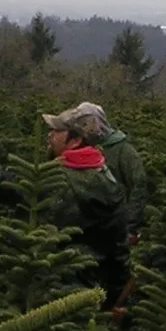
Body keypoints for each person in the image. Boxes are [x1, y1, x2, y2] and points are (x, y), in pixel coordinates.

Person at [0, 109, 132, 309]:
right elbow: (118, 245)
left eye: (57, 131)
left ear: (75, 141)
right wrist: (118, 296)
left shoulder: (60, 181)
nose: (50, 135)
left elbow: (4, 184)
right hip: (93, 291)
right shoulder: (106, 177)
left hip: (54, 290)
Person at [53, 101, 148, 239]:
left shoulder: (123, 151)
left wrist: (131, 226)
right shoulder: (84, 149)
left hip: (116, 223)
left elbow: (139, 185)